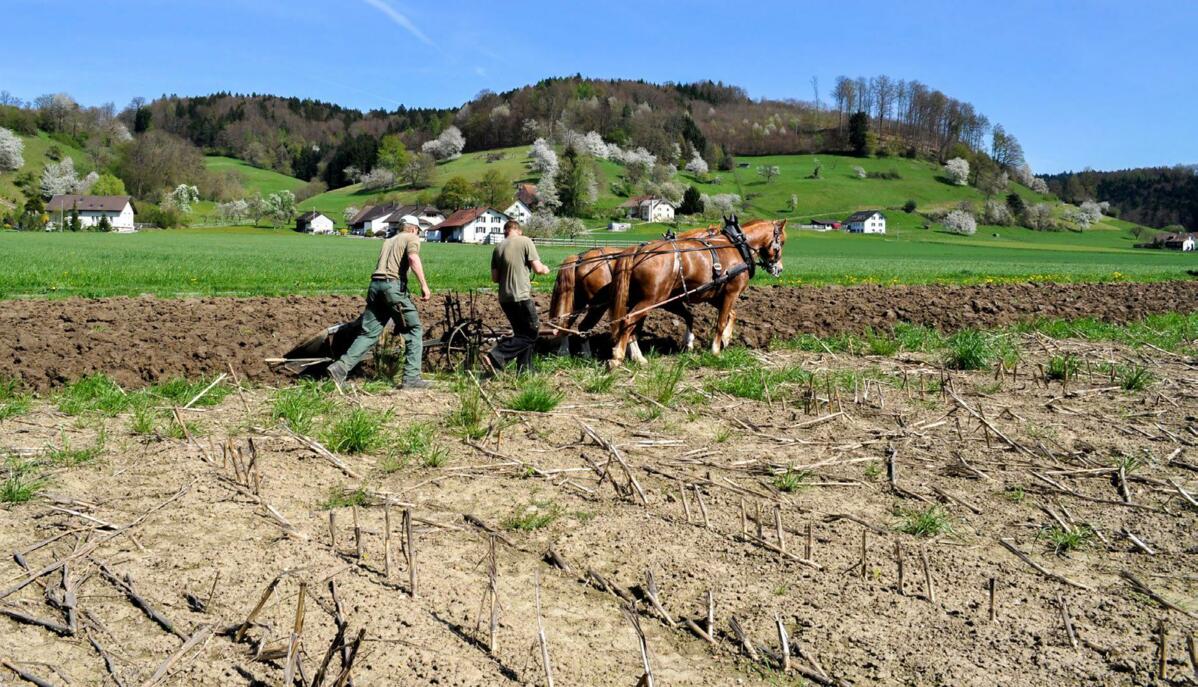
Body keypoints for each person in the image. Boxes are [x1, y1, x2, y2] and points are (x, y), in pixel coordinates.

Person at [327, 216, 431, 390]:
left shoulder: (388, 241)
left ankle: (340, 368)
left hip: (375, 286)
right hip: (392, 287)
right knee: (413, 329)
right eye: (418, 231)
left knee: (369, 333)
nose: (418, 234)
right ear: (414, 229)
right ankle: (411, 378)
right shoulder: (411, 237)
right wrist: (424, 285)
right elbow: (413, 259)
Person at [485, 219, 549, 374]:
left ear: (505, 231)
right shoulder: (525, 241)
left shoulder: (498, 247)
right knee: (531, 334)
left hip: (505, 299)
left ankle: (525, 370)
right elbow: (538, 269)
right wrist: (545, 269)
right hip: (521, 297)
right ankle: (497, 355)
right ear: (518, 230)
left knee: (521, 334)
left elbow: (495, 278)